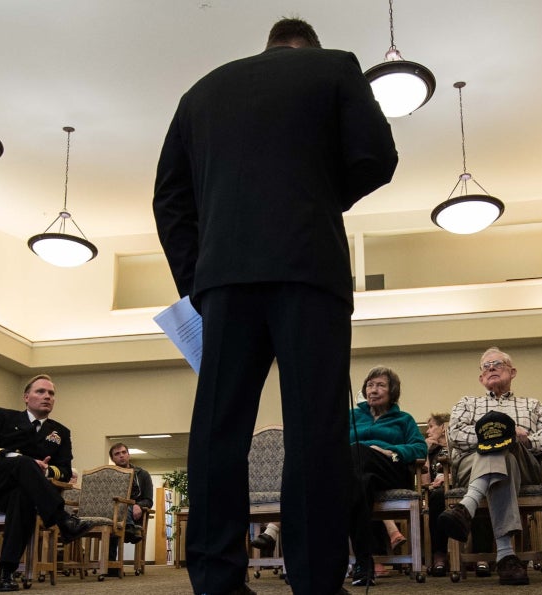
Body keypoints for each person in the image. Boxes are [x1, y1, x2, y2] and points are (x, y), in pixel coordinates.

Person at [152, 16, 397, 595]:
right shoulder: (336, 66)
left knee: (218, 429)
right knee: (316, 430)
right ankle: (314, 582)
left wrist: (197, 281)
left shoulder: (201, 92)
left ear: (268, 46)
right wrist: (315, 194)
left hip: (223, 279)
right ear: (308, 45)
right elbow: (376, 157)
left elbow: (169, 197)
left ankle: (216, 582)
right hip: (309, 268)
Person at [440, 347, 542, 586]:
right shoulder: (467, 403)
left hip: (524, 466)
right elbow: (454, 434)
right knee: (497, 445)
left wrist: (523, 439)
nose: (491, 368)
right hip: (471, 465)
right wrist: (496, 437)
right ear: (481, 378)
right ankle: (506, 555)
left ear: (512, 372)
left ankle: (466, 507)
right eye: (486, 366)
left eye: (497, 364)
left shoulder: (533, 405)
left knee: (503, 445)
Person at [0, 375, 92, 592]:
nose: (47, 397)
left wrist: (46, 469)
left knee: (23, 499)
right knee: (23, 463)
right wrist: (14, 457)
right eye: (41, 391)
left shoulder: (60, 432)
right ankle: (63, 520)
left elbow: (65, 471)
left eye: (51, 394)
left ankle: (6, 572)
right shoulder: (3, 416)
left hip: (19, 490)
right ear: (26, 397)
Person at [347, 366, 427, 586]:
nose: (373, 390)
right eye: (370, 385)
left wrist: (393, 452)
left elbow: (420, 449)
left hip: (391, 469)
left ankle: (350, 561)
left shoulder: (403, 419)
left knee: (357, 453)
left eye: (380, 385)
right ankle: (364, 563)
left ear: (392, 391)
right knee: (360, 483)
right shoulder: (352, 416)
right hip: (359, 473)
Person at [106, 442, 154, 576]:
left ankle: (128, 528)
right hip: (113, 513)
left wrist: (138, 505)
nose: (121, 456)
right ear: (113, 459)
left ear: (129, 455)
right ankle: (111, 563)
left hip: (135, 514)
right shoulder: (109, 476)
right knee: (117, 513)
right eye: (117, 454)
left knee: (123, 510)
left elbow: (149, 500)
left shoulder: (142, 474)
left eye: (123, 452)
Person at [424, 412, 450, 576]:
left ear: (444, 427)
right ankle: (439, 555)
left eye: (431, 426)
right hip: (438, 492)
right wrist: (425, 451)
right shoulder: (433, 452)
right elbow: (425, 481)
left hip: (462, 486)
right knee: (438, 497)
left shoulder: (460, 446)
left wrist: (448, 477)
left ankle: (479, 557)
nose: (428, 431)